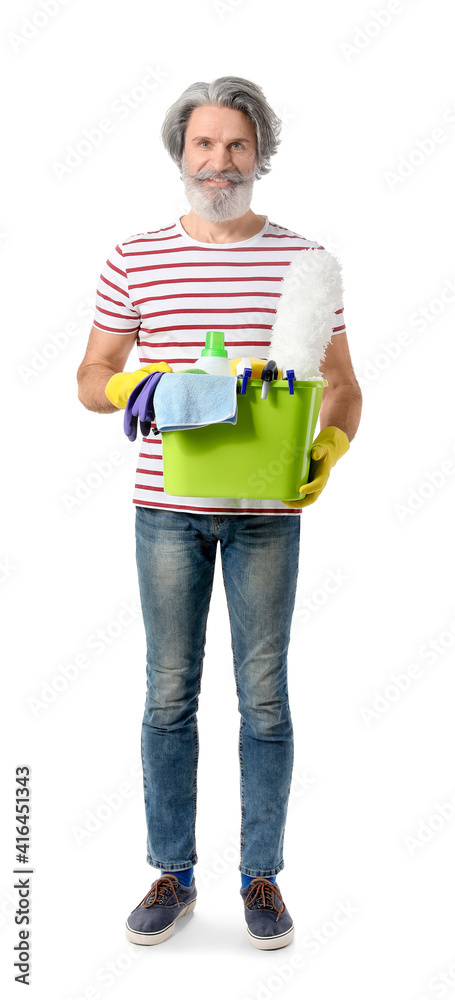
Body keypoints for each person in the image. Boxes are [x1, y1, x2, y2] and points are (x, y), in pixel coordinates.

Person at [77, 76, 362, 951]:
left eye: (236, 144)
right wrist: (139, 383)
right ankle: (173, 871)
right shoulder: (135, 257)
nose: (219, 160)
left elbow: (343, 386)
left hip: (266, 513)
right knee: (169, 696)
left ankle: (260, 877)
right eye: (204, 144)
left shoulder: (304, 262)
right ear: (181, 153)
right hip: (166, 509)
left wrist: (329, 447)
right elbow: (90, 381)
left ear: (259, 154)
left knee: (263, 700)